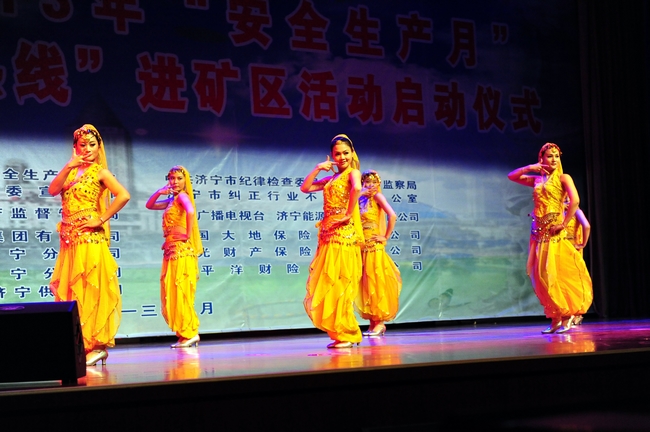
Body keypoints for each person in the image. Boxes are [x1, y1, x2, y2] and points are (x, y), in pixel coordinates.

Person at [49, 124, 130, 366]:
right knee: (73, 292)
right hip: (70, 241)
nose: (87, 149)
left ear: (98, 147)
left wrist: (101, 219)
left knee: (92, 289)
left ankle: (98, 345)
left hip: (90, 239)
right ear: (75, 147)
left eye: (92, 145)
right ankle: (80, 344)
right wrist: (69, 166)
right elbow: (53, 190)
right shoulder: (70, 172)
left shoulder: (101, 173)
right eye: (82, 145)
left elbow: (123, 195)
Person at [507, 142, 593, 334]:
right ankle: (555, 317)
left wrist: (564, 223)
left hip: (555, 232)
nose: (554, 159)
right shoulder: (537, 180)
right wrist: (531, 167)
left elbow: (575, 201)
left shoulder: (564, 177)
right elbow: (512, 176)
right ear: (542, 158)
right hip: (538, 233)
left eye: (556, 156)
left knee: (558, 273)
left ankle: (567, 316)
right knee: (542, 275)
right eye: (549, 156)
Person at [300, 134, 364, 348]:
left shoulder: (353, 173)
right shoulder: (332, 178)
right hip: (328, 235)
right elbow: (305, 188)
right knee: (330, 282)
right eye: (337, 154)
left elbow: (357, 188)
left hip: (343, 235)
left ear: (352, 153)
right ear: (332, 156)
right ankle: (340, 332)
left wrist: (348, 214)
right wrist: (318, 168)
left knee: (340, 282)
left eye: (346, 153)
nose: (342, 157)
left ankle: (347, 332)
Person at [146, 166, 202, 348]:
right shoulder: (172, 200)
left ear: (185, 181)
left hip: (181, 251)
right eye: (171, 178)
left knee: (181, 290)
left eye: (179, 178)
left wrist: (187, 234)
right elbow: (149, 205)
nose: (175, 182)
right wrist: (159, 192)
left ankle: (190, 333)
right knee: (173, 291)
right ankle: (185, 333)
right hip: (171, 250)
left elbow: (190, 211)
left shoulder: (183, 197)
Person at [355, 170, 402, 336]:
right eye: (366, 182)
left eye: (373, 182)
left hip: (374, 247)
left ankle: (380, 323)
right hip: (362, 246)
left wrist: (385, 237)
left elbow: (392, 215)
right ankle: (373, 323)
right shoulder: (359, 199)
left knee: (375, 282)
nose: (370, 185)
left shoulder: (377, 197)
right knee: (366, 285)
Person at [563, 199, 591, 326]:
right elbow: (586, 226)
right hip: (569, 249)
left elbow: (586, 226)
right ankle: (571, 313)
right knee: (570, 281)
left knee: (569, 281)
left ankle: (574, 313)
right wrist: (583, 243)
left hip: (567, 249)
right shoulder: (573, 211)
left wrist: (583, 244)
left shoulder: (573, 211)